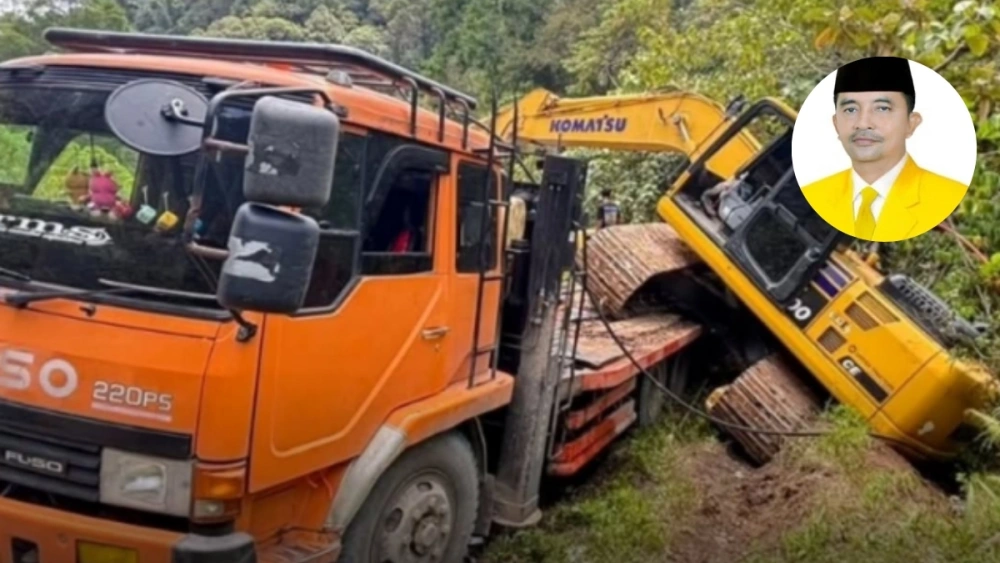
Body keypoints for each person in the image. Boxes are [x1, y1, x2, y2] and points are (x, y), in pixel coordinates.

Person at [799, 56, 968, 242]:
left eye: (882, 109)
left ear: (911, 124)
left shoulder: (939, 200)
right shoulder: (813, 190)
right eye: (850, 110)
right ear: (836, 123)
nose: (863, 123)